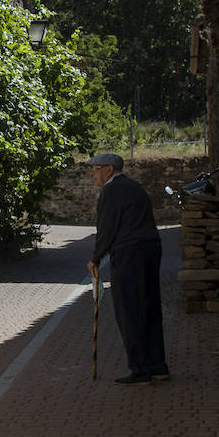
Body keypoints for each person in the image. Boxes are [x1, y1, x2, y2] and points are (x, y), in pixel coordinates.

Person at [86, 153, 169, 385]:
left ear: (109, 170)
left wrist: (95, 258)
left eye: (96, 168)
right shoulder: (135, 187)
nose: (93, 174)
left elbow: (106, 228)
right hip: (151, 249)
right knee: (150, 307)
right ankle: (157, 365)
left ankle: (140, 369)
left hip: (129, 253)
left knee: (129, 310)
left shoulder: (111, 191)